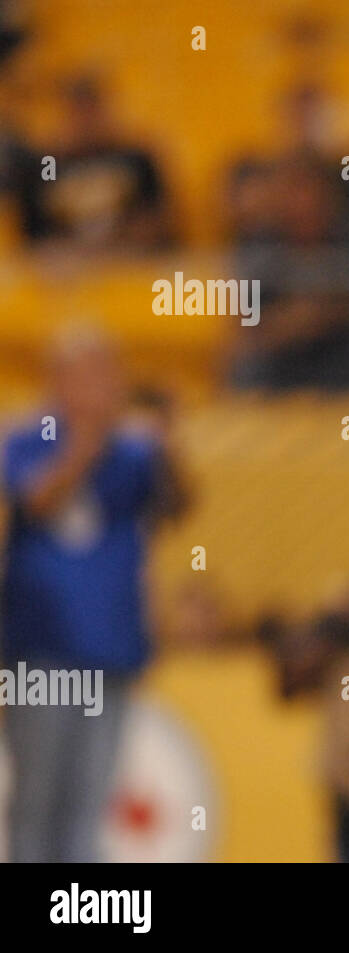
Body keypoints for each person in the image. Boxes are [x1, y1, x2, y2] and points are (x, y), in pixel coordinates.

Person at [1, 326, 187, 862]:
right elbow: (34, 500)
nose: (100, 390)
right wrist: (87, 443)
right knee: (35, 802)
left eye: (107, 377)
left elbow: (177, 504)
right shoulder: (25, 439)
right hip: (41, 653)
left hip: (110, 652)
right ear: (56, 382)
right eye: (85, 377)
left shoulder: (135, 453)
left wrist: (166, 442)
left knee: (89, 806)